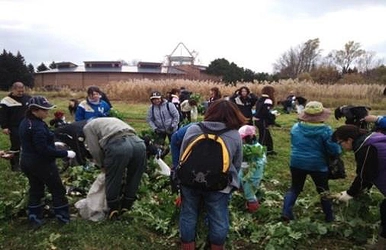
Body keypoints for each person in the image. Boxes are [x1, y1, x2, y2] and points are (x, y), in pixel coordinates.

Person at [178, 100, 244, 250]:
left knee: (188, 214)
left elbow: (183, 155)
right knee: (218, 217)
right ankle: (217, 246)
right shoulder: (234, 135)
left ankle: (188, 246)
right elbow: (237, 164)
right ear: (233, 115)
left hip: (189, 181)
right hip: (219, 185)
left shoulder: (194, 129)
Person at [19, 96, 76, 227]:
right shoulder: (38, 127)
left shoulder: (25, 122)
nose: (47, 112)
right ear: (34, 110)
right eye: (44, 110)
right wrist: (65, 153)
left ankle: (34, 218)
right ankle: (63, 218)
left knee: (36, 188)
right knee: (57, 189)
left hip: (26, 161)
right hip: (41, 164)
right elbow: (43, 150)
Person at [282, 101, 341, 222]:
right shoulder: (326, 131)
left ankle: (286, 212)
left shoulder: (295, 128)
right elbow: (334, 149)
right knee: (323, 190)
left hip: (296, 161)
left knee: (295, 188)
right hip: (318, 165)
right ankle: (329, 217)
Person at [333, 125, 386, 249]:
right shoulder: (372, 138)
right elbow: (371, 172)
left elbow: (364, 175)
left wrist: (350, 193)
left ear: (349, 140)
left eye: (340, 143)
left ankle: (381, 245)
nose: (341, 147)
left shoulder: (366, 149)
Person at [83, 117, 147, 220]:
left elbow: (94, 150)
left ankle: (113, 209)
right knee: (134, 176)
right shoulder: (112, 120)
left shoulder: (88, 127)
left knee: (114, 177)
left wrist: (102, 165)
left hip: (119, 145)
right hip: (138, 144)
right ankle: (127, 205)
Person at [0, 82, 31, 171]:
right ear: (13, 90)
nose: (21, 93)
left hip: (27, 125)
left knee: (27, 144)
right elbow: (3, 115)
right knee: (16, 145)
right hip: (14, 126)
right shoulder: (6, 101)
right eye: (19, 91)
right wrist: (4, 127)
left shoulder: (27, 98)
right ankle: (15, 165)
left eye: (22, 91)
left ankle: (26, 163)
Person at [238, 125, 267, 213]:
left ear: (249, 137)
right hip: (243, 173)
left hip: (253, 176)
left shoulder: (258, 148)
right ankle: (246, 203)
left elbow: (262, 161)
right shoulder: (244, 147)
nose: (241, 141)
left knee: (249, 193)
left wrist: (251, 164)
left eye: (242, 138)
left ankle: (254, 210)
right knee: (241, 187)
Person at [254, 85, 278, 156]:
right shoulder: (268, 100)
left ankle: (270, 150)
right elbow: (265, 113)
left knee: (268, 136)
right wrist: (273, 117)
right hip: (263, 121)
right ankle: (256, 153)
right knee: (263, 137)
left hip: (258, 120)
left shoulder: (260, 99)